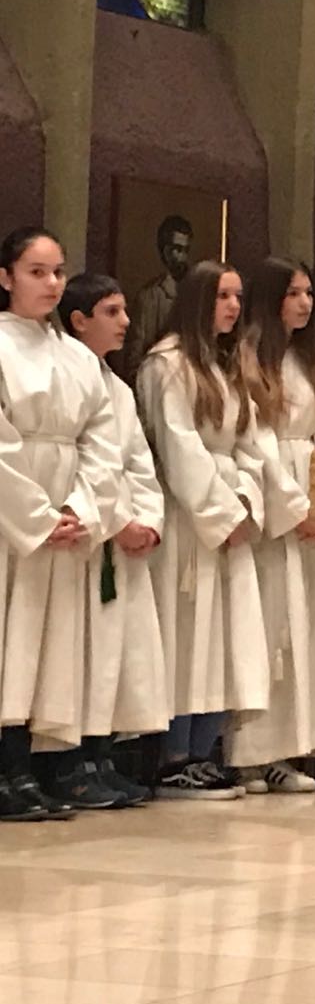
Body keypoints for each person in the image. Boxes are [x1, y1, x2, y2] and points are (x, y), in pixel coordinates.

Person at [137, 260, 273, 800]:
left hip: (228, 509)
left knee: (224, 638)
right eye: (222, 296)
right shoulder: (167, 365)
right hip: (189, 518)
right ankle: (174, 756)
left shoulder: (224, 366)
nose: (234, 307)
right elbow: (179, 447)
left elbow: (249, 445)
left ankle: (204, 748)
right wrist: (221, 512)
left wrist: (247, 501)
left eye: (238, 297)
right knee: (187, 635)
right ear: (197, 300)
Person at [0, 229, 122, 822]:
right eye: (36, 272)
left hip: (65, 512)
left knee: (46, 649)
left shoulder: (78, 359)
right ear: (6, 278)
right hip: (12, 516)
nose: (51, 283)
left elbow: (103, 441)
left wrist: (81, 509)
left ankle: (26, 768)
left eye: (57, 272)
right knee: (9, 639)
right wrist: (35, 517)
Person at [232, 257, 315, 792]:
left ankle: (306, 745)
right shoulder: (249, 359)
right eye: (293, 293)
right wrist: (294, 506)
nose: (305, 303)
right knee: (273, 626)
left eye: (308, 292)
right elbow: (254, 440)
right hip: (276, 496)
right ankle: (258, 751)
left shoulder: (309, 361)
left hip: (312, 490)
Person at [51, 274, 169, 809]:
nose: (125, 321)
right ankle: (67, 762)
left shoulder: (118, 389)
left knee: (116, 658)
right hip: (86, 534)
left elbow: (139, 464)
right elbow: (83, 463)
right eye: (112, 311)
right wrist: (117, 520)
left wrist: (148, 520)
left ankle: (100, 756)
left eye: (125, 309)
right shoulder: (67, 376)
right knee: (80, 655)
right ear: (79, 320)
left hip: (122, 540)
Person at [125, 214, 192, 372]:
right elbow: (135, 357)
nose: (182, 257)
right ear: (165, 251)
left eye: (186, 250)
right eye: (177, 249)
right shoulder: (149, 297)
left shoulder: (195, 291)